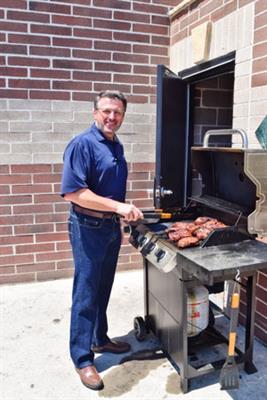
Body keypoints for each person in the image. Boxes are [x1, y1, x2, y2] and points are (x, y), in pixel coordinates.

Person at [61, 90, 144, 390]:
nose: (112, 117)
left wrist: (122, 209)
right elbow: (74, 193)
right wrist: (119, 207)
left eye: (118, 113)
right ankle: (83, 358)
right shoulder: (82, 144)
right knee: (86, 290)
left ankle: (99, 339)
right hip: (87, 226)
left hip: (110, 228)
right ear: (95, 112)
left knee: (103, 285)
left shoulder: (115, 145)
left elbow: (106, 191)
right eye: (107, 111)